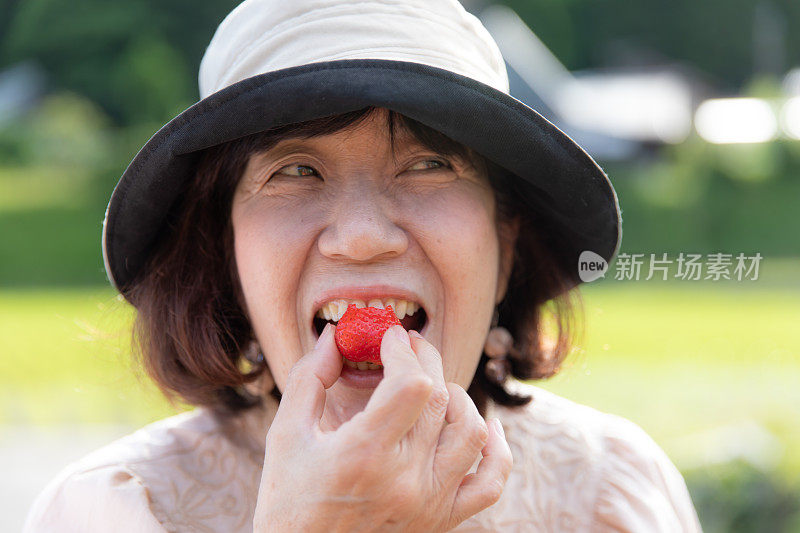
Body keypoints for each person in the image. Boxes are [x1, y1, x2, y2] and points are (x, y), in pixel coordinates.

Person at [25, 0, 702, 531]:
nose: (362, 237)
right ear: (226, 258)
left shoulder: (614, 492)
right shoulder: (120, 513)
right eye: (295, 170)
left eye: (430, 163)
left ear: (505, 252)